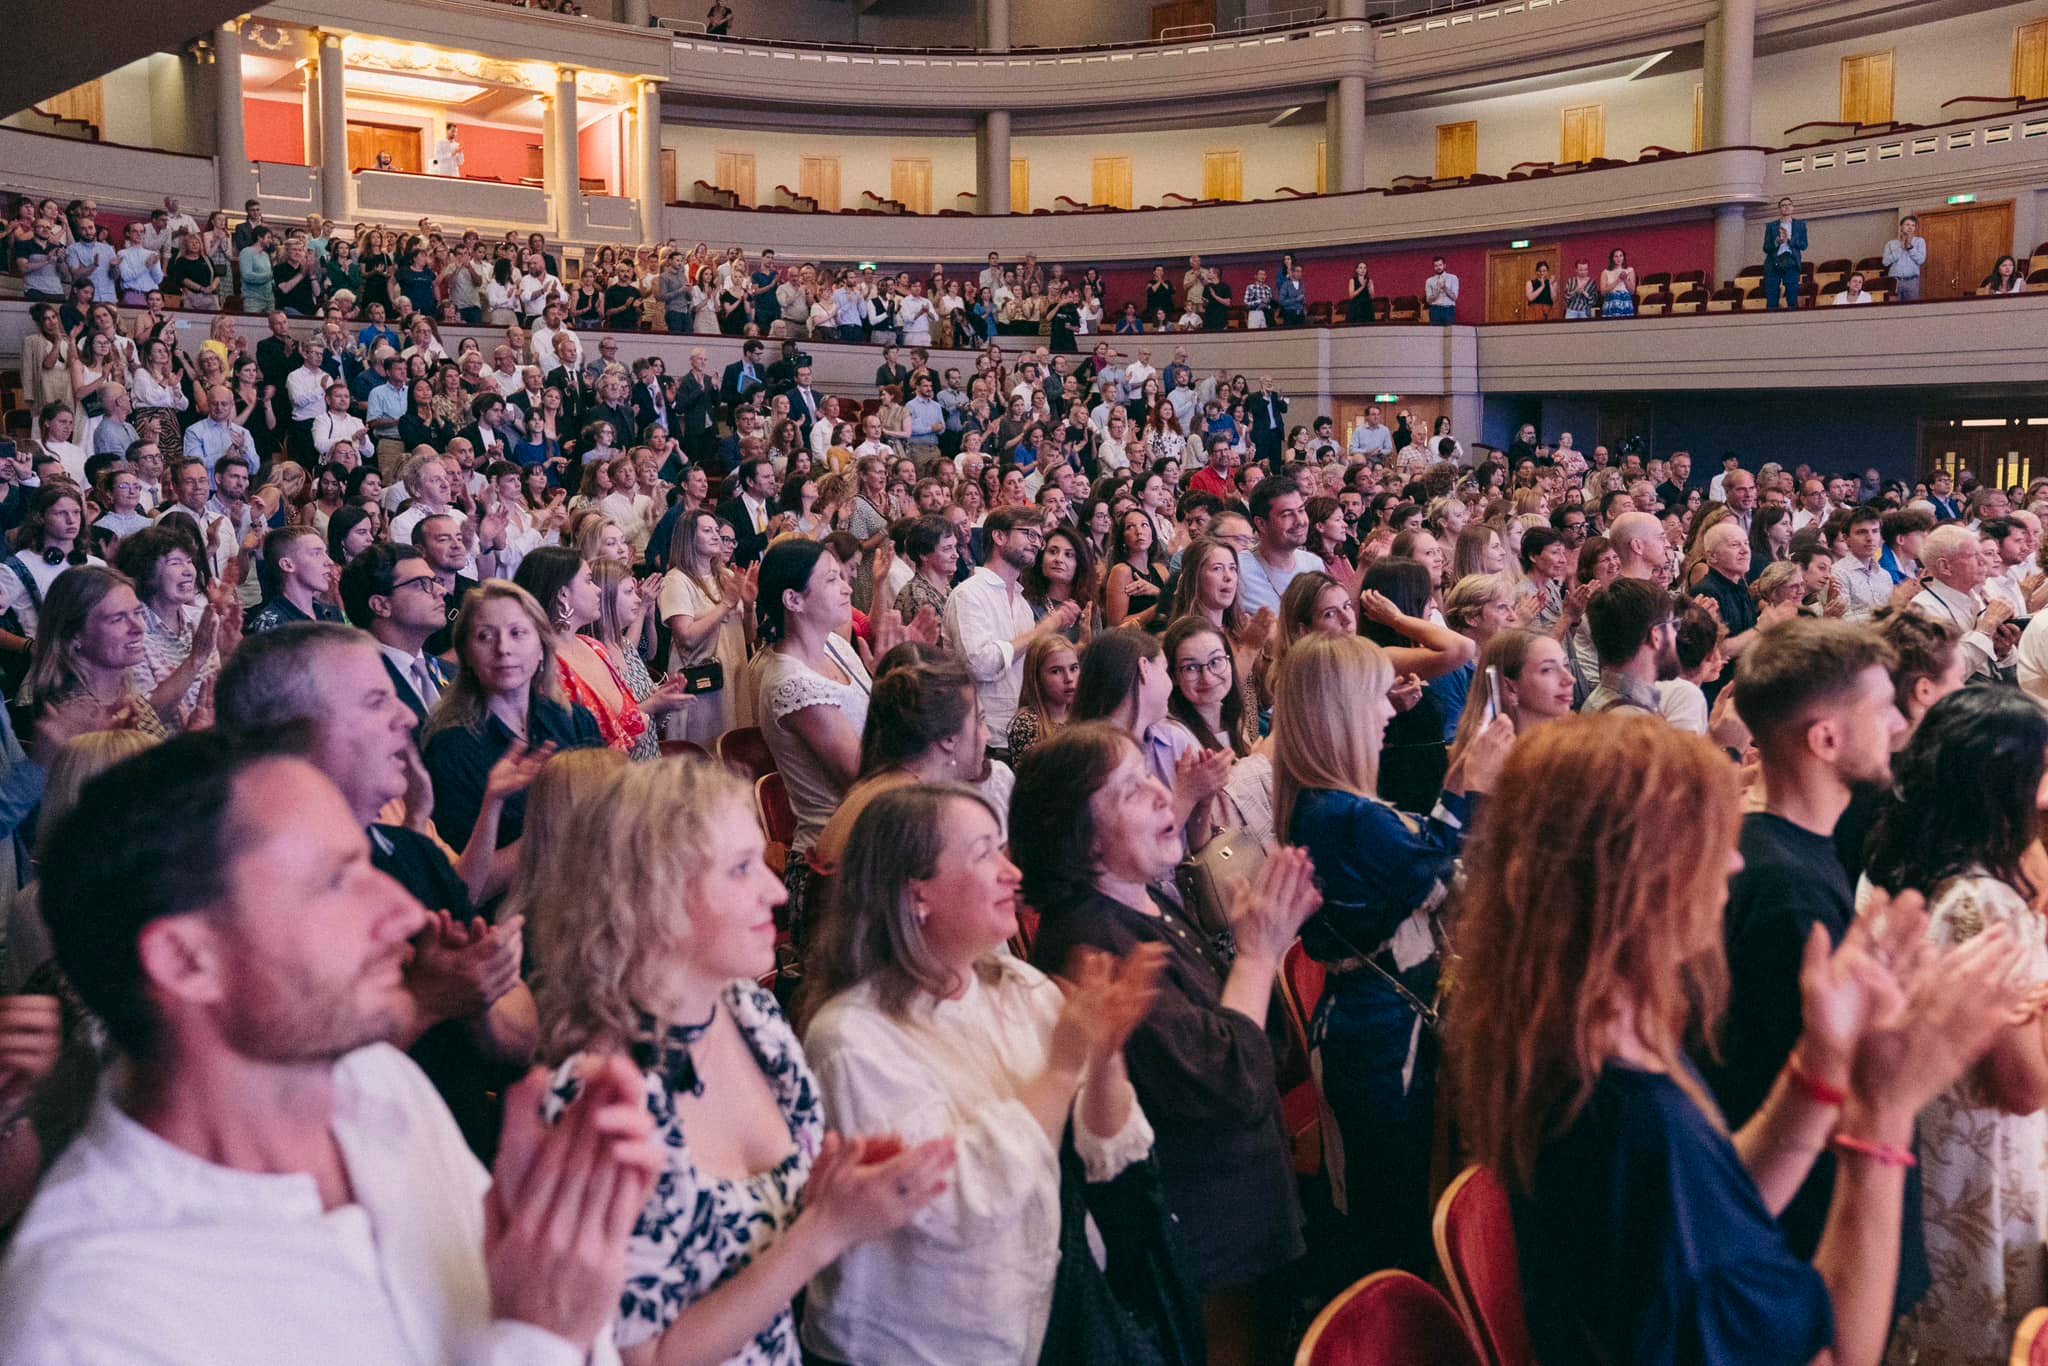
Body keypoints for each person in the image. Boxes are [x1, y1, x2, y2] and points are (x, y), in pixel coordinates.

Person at [0, 731, 660, 1364]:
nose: (404, 913)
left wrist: (541, 1247)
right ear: (186, 959)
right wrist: (538, 1336)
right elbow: (538, 1329)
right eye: (336, 882)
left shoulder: (377, 1085)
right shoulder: (86, 1317)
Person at [1451, 714, 2023, 1366]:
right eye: (1706, 841)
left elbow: (1722, 1208)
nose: (1733, 860)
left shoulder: (1582, 1035)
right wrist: (1884, 1114)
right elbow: (1838, 1354)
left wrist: (1822, 1059)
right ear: (1632, 876)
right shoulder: (1630, 1111)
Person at [522, 754, 952, 1366]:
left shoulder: (751, 1014)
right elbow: (641, 1358)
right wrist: (822, 1231)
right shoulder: (600, 1100)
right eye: (743, 868)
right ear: (654, 894)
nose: (777, 891)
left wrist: (843, 1193)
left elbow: (779, 1235)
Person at [797, 784, 1171, 1366]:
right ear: (915, 892)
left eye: (1003, 849)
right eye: (983, 854)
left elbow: (1105, 1152)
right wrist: (1065, 1063)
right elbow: (958, 1203)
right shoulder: (852, 1038)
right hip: (926, 1345)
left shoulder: (1018, 987)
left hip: (1046, 1311)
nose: (1011, 871)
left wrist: (1105, 1056)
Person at [1013, 723, 1317, 1365]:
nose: (1161, 795)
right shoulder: (1091, 946)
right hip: (1204, 1247)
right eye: (1131, 791)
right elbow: (1228, 1081)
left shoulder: (1139, 899)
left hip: (1243, 1217)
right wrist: (1259, 957)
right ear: (1081, 836)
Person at [1272, 632, 1510, 1275]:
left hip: (1379, 1022)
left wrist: (1460, 779)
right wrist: (1472, 788)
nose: (1388, 711)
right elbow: (1434, 876)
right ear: (1339, 713)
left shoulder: (1333, 805)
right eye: (1377, 698)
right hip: (1375, 1039)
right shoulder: (1338, 813)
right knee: (1390, 1220)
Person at [1706, 620, 1917, 1282]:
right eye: (1884, 709)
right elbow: (1812, 1099)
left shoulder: (1780, 851)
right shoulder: (1786, 892)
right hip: (1808, 1243)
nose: (1900, 725)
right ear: (1825, 738)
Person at [1862, 688, 2048, 1363]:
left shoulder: (1934, 872)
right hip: (1986, 1159)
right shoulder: (1985, 902)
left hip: (1947, 1148)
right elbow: (2025, 1084)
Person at [421, 580, 603, 853]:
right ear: (466, 654)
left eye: (517, 633)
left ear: (542, 647)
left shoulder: (575, 720)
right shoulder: (449, 746)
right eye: (485, 636)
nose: (503, 648)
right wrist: (558, 831)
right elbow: (462, 884)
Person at [753, 539, 873, 927]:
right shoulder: (792, 683)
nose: (847, 587)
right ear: (794, 599)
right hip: (834, 863)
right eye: (832, 579)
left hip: (869, 841)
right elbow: (861, 776)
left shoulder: (837, 646)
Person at [943, 507, 1076, 752]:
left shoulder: (1023, 605)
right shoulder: (969, 594)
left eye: (1039, 538)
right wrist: (1044, 628)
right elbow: (980, 664)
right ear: (999, 536)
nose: (1037, 544)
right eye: (1029, 534)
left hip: (1021, 733)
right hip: (984, 738)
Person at [658, 508, 751, 745]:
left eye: (717, 532)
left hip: (734, 674)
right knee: (703, 757)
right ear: (689, 537)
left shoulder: (727, 575)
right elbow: (686, 637)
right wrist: (726, 605)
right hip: (701, 683)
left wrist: (749, 607)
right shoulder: (676, 579)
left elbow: (750, 636)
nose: (716, 536)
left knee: (732, 751)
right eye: (707, 530)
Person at [1006, 632, 1078, 759]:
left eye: (1073, 668)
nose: (1069, 678)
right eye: (1056, 671)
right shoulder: (1028, 724)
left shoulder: (1082, 716)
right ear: (1036, 677)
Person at [1762, 196, 1808, 310]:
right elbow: (1766, 247)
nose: (1786, 207)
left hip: (1791, 262)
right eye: (1783, 205)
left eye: (1788, 205)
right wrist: (1777, 242)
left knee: (1792, 296)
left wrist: (1789, 240)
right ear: (1779, 209)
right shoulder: (1771, 226)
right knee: (1772, 296)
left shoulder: (1800, 225)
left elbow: (1804, 245)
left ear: (1792, 208)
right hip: (1774, 263)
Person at [1883, 214, 1927, 301]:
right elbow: (1885, 262)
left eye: (1913, 225)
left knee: (1912, 309)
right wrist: (1900, 247)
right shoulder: (1891, 243)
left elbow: (1921, 260)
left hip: (1912, 281)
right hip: (1894, 281)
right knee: (1893, 309)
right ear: (1901, 227)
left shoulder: (1920, 241)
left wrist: (1910, 247)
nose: (1910, 227)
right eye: (1907, 225)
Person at [1422, 256, 1459, 324]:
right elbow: (1428, 300)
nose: (1438, 267)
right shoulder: (1429, 281)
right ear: (1433, 267)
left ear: (1444, 265)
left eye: (1440, 265)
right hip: (1435, 310)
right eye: (1436, 266)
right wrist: (1437, 291)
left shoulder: (1453, 278)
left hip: (1449, 310)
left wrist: (1444, 288)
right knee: (1435, 333)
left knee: (1449, 333)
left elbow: (1454, 297)